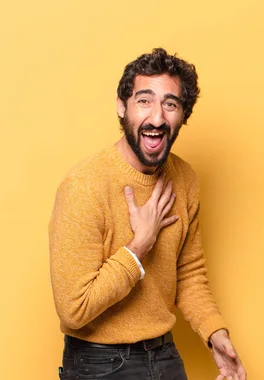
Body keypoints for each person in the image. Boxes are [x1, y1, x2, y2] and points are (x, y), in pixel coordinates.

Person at [49, 48, 246, 380]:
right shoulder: (83, 186)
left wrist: (215, 335)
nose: (157, 117)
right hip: (100, 364)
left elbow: (189, 274)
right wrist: (140, 246)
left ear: (183, 114)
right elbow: (73, 310)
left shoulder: (184, 179)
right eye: (144, 101)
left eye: (170, 104)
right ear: (121, 105)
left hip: (165, 355)